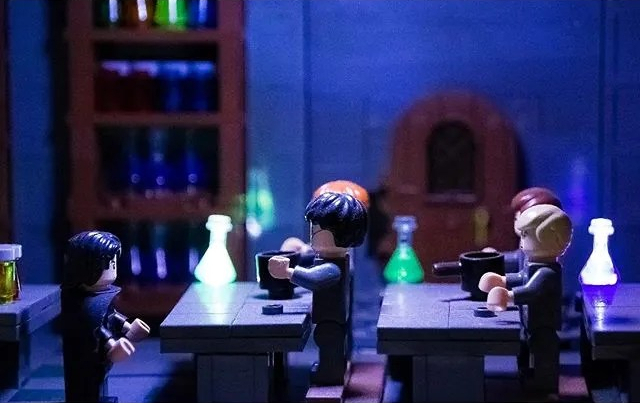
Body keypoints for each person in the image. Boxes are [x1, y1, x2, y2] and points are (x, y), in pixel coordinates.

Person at [269, 192, 367, 385]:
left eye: (316, 231)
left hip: (331, 319)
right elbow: (312, 262)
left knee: (328, 343)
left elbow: (314, 279)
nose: (312, 235)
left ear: (340, 234)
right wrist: (297, 250)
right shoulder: (337, 258)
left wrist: (288, 272)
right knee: (330, 344)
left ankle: (329, 374)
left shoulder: (334, 267)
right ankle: (330, 369)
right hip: (332, 316)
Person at [479, 204, 572, 395]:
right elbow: (522, 277)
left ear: (545, 236)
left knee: (543, 358)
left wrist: (508, 296)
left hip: (543, 326)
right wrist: (502, 280)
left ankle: (544, 388)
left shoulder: (547, 273)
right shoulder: (533, 265)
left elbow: (532, 291)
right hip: (530, 323)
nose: (521, 241)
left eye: (525, 235)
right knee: (524, 352)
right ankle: (527, 379)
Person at [61, 231, 150, 403]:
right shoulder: (82, 304)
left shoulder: (101, 295)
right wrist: (111, 345)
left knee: (101, 379)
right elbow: (93, 327)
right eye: (109, 262)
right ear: (87, 267)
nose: (113, 266)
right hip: (85, 359)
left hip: (98, 359)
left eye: (114, 261)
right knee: (87, 384)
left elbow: (110, 315)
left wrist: (128, 327)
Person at [484, 187, 563, 273]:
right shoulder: (527, 242)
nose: (516, 223)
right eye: (515, 219)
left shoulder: (540, 249)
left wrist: (505, 279)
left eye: (521, 219)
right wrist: (496, 258)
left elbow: (528, 276)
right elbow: (518, 258)